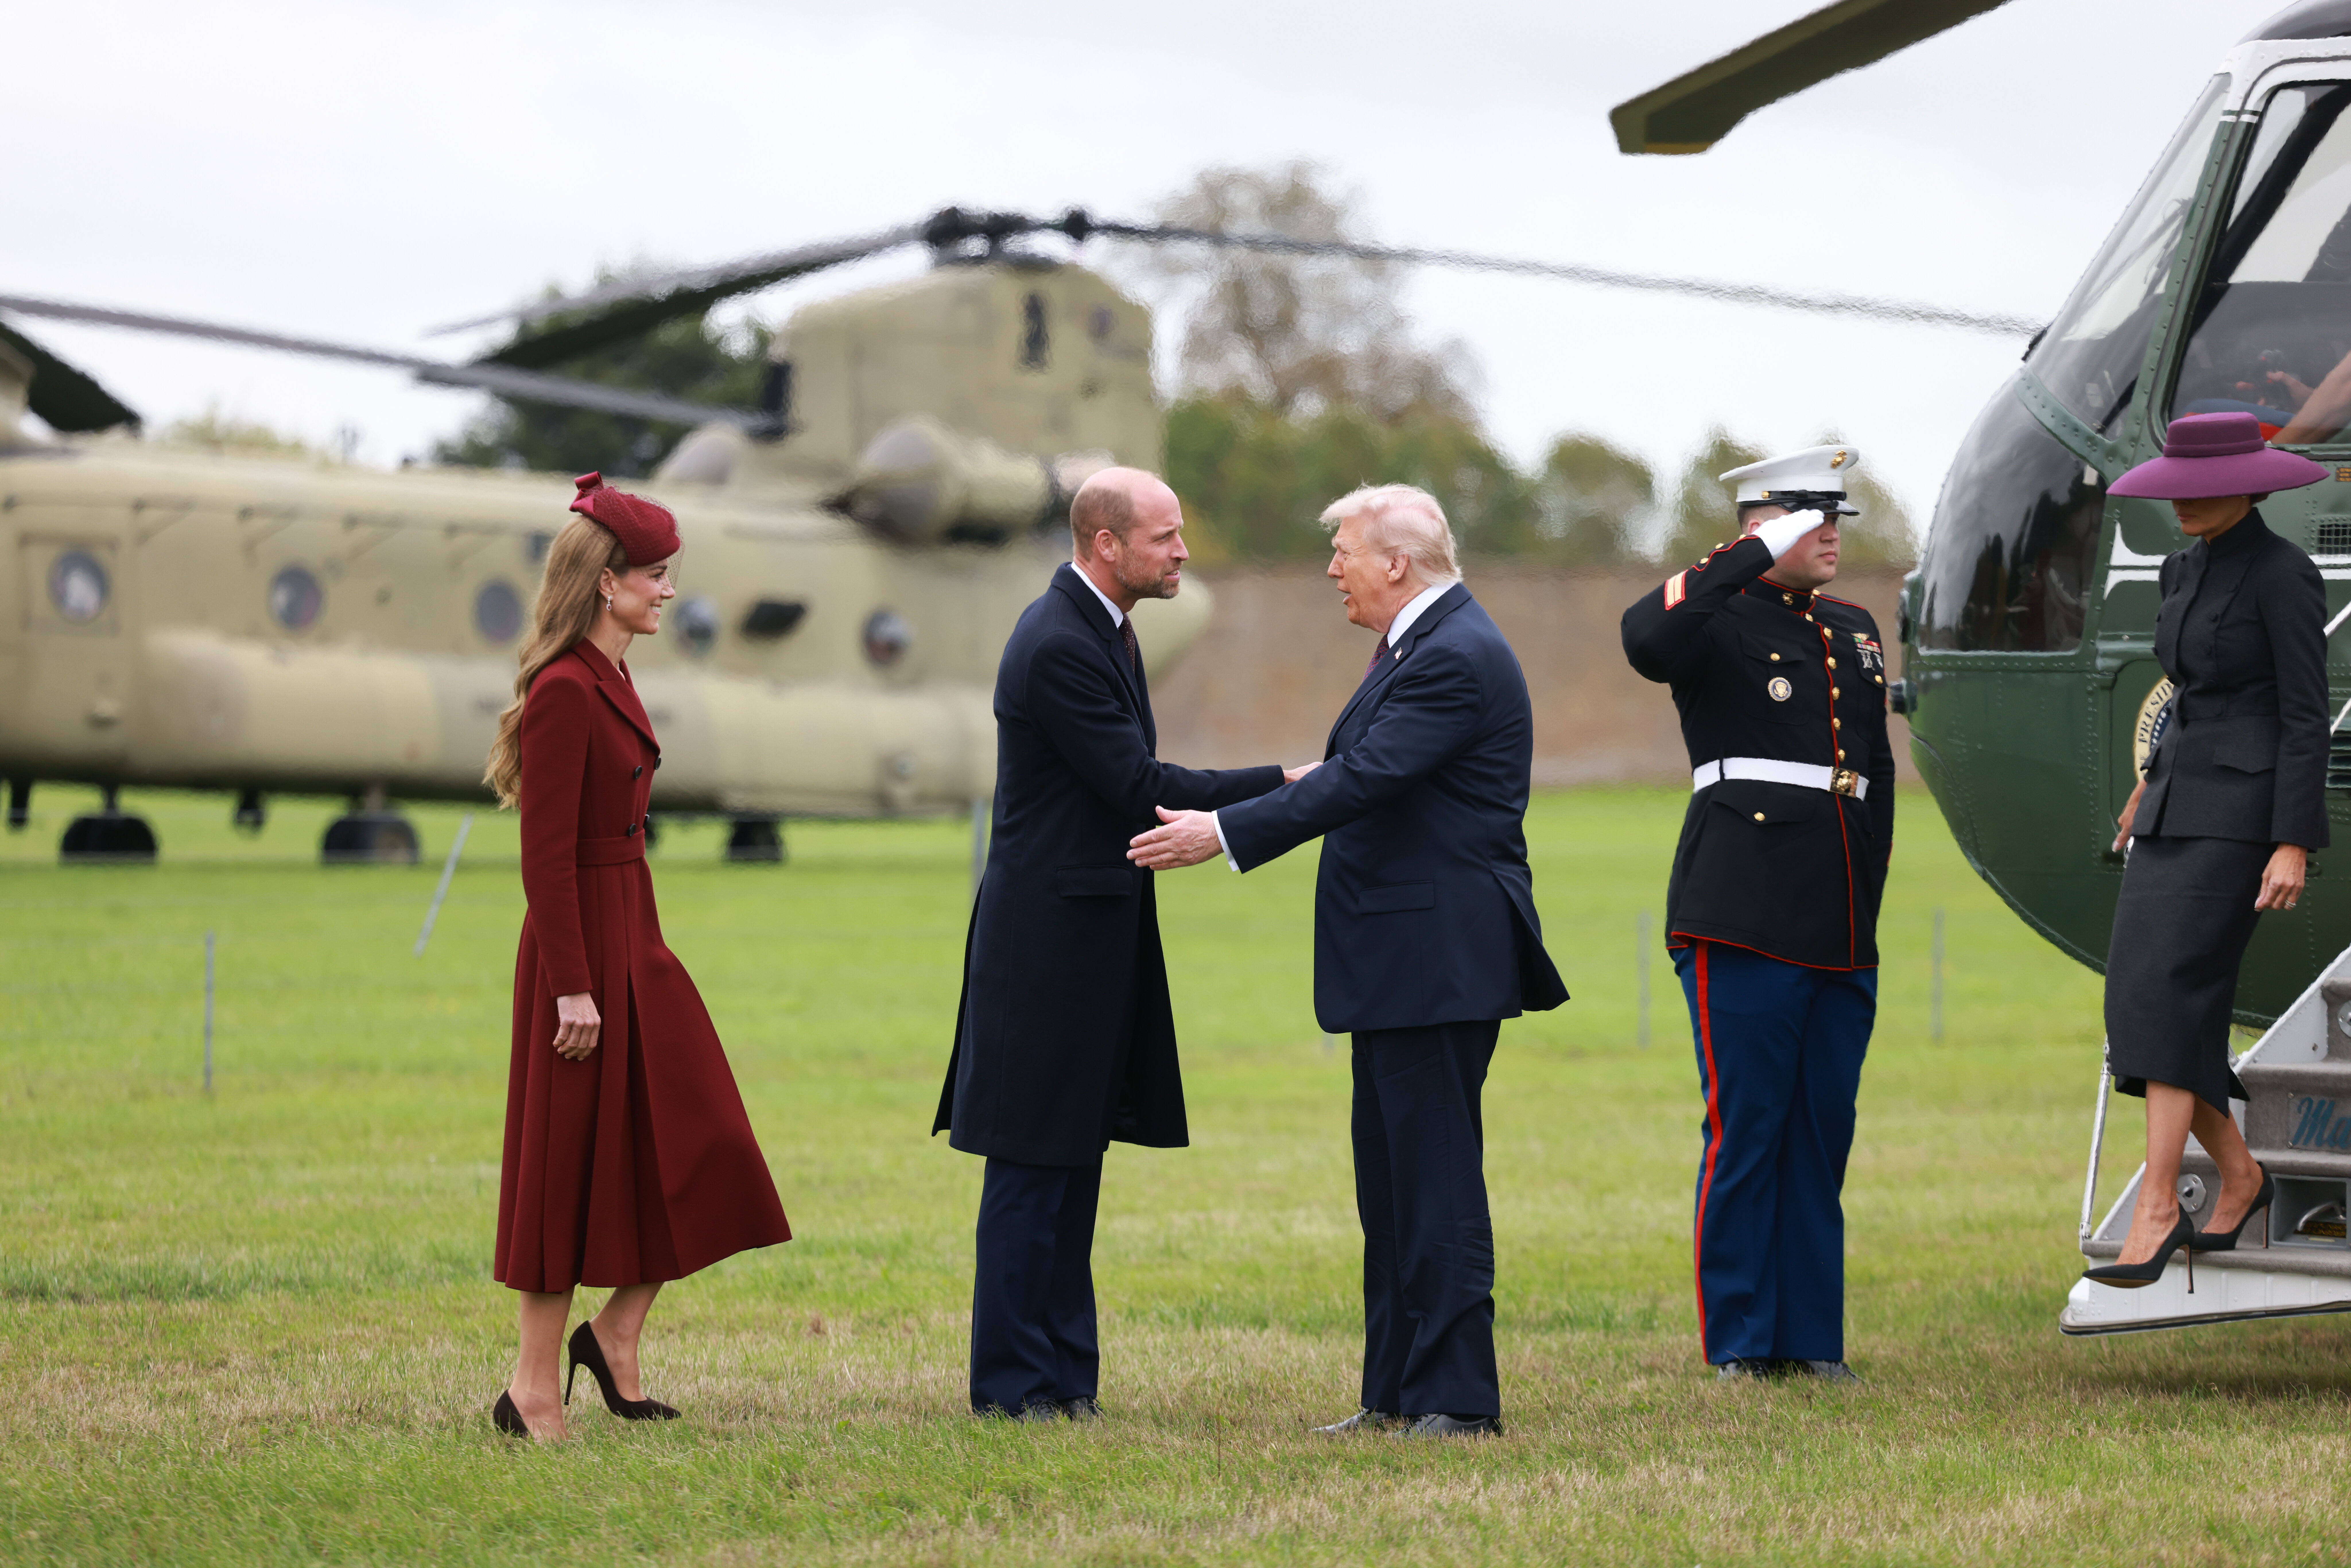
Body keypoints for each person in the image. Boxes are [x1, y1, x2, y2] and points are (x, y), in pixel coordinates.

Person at [1128, 484, 1568, 1439]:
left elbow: (1364, 779)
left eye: (1344, 551)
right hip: (1404, 959)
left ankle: (1457, 1399)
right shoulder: (1424, 645)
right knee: (1392, 1180)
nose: (1333, 569)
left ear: (1397, 563)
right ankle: (1397, 1392)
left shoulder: (1454, 654)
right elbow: (1358, 773)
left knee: (1435, 1177)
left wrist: (1226, 833)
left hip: (1439, 957)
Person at [932, 467, 1298, 1422]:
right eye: (1165, 536)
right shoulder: (1058, 642)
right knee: (1031, 1163)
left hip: (1091, 933)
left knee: (1075, 1160)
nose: (1182, 551)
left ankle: (1065, 1382)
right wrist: (1289, 784)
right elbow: (1140, 785)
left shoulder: (1104, 628)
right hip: (1046, 943)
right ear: (1106, 545)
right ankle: (1013, 1389)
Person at [482, 472, 792, 1441]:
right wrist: (574, 985)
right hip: (581, 948)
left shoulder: (614, 675)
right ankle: (532, 1390)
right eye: (654, 576)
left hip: (635, 931)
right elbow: (546, 858)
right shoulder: (567, 689)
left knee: (706, 1140)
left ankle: (615, 1334)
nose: (667, 591)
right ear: (605, 581)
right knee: (564, 1166)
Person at [1618, 444, 1893, 1383]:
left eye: (1834, 520)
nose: (1829, 537)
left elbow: (1874, 778)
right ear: (1758, 526)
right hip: (1742, 906)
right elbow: (1644, 641)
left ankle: (1810, 1340)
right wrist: (1744, 552)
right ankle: (1741, 1340)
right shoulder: (1713, 616)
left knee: (1822, 1130)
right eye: (1808, 520)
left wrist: (1871, 903)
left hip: (1839, 913)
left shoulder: (1854, 627)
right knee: (1749, 1129)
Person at [2085, 412, 2329, 1291]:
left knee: (2176, 995)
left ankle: (2159, 1207)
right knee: (2142, 1005)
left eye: (2197, 491)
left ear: (2248, 484)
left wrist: (2293, 840)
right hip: (2174, 808)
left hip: (2242, 823)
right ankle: (2240, 1174)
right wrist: (2150, 777)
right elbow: (2187, 695)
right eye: (2174, 489)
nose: (2180, 506)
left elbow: (2306, 717)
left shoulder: (2285, 576)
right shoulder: (2180, 570)